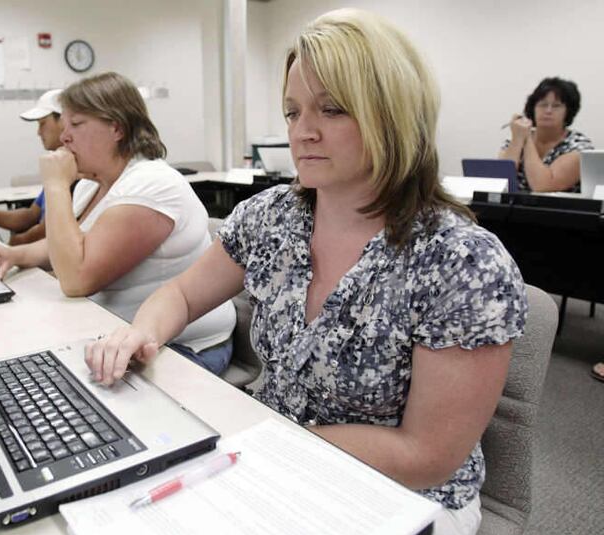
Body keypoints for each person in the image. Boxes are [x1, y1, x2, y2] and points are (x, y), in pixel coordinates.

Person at [85, 9, 526, 535]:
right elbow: (181, 294)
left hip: (400, 493)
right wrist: (142, 331)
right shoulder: (272, 216)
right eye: (292, 112)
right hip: (271, 458)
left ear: (393, 114)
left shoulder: (463, 262)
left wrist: (262, 433)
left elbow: (426, 456)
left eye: (332, 110)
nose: (302, 132)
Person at [0, 72, 236, 375]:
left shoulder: (152, 185)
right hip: (113, 333)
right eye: (64, 125)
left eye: (76, 124)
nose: (64, 136)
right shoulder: (90, 184)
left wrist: (54, 186)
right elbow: (77, 243)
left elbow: (76, 279)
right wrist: (15, 254)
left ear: (116, 127)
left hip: (181, 346)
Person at [0, 89, 64, 245]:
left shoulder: (76, 173)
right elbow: (31, 215)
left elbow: (48, 229)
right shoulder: (57, 167)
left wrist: (13, 245)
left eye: (42, 124)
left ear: (63, 122)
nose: (38, 132)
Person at [499, 77, 594, 192]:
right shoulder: (517, 137)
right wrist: (517, 140)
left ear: (568, 111)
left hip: (558, 208)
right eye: (543, 105)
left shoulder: (579, 147)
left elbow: (542, 187)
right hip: (513, 208)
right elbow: (500, 180)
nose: (548, 111)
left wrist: (527, 139)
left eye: (556, 106)